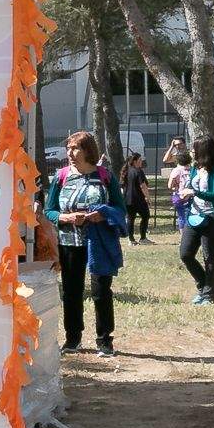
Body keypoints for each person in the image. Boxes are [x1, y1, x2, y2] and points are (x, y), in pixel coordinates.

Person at [41, 131, 126, 357]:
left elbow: (120, 209)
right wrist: (65, 218)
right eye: (68, 148)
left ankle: (104, 340)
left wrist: (103, 215)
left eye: (75, 148)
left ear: (88, 150)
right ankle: (73, 338)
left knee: (101, 290)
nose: (70, 153)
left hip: (98, 242)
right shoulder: (61, 176)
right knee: (71, 291)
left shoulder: (105, 176)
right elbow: (48, 211)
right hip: (69, 241)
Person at [178, 136, 214, 306]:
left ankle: (210, 295)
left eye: (194, 148)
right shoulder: (196, 168)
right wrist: (185, 193)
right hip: (194, 217)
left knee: (209, 257)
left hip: (213, 219)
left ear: (203, 151)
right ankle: (204, 285)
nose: (192, 151)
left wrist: (194, 193)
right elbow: (192, 187)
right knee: (185, 254)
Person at [120, 152, 153, 244]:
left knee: (130, 218)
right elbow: (143, 186)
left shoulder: (125, 171)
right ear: (135, 161)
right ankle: (143, 238)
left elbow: (122, 185)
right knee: (146, 216)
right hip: (138, 199)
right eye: (140, 160)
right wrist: (148, 198)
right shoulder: (138, 171)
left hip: (127, 199)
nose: (141, 161)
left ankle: (131, 240)